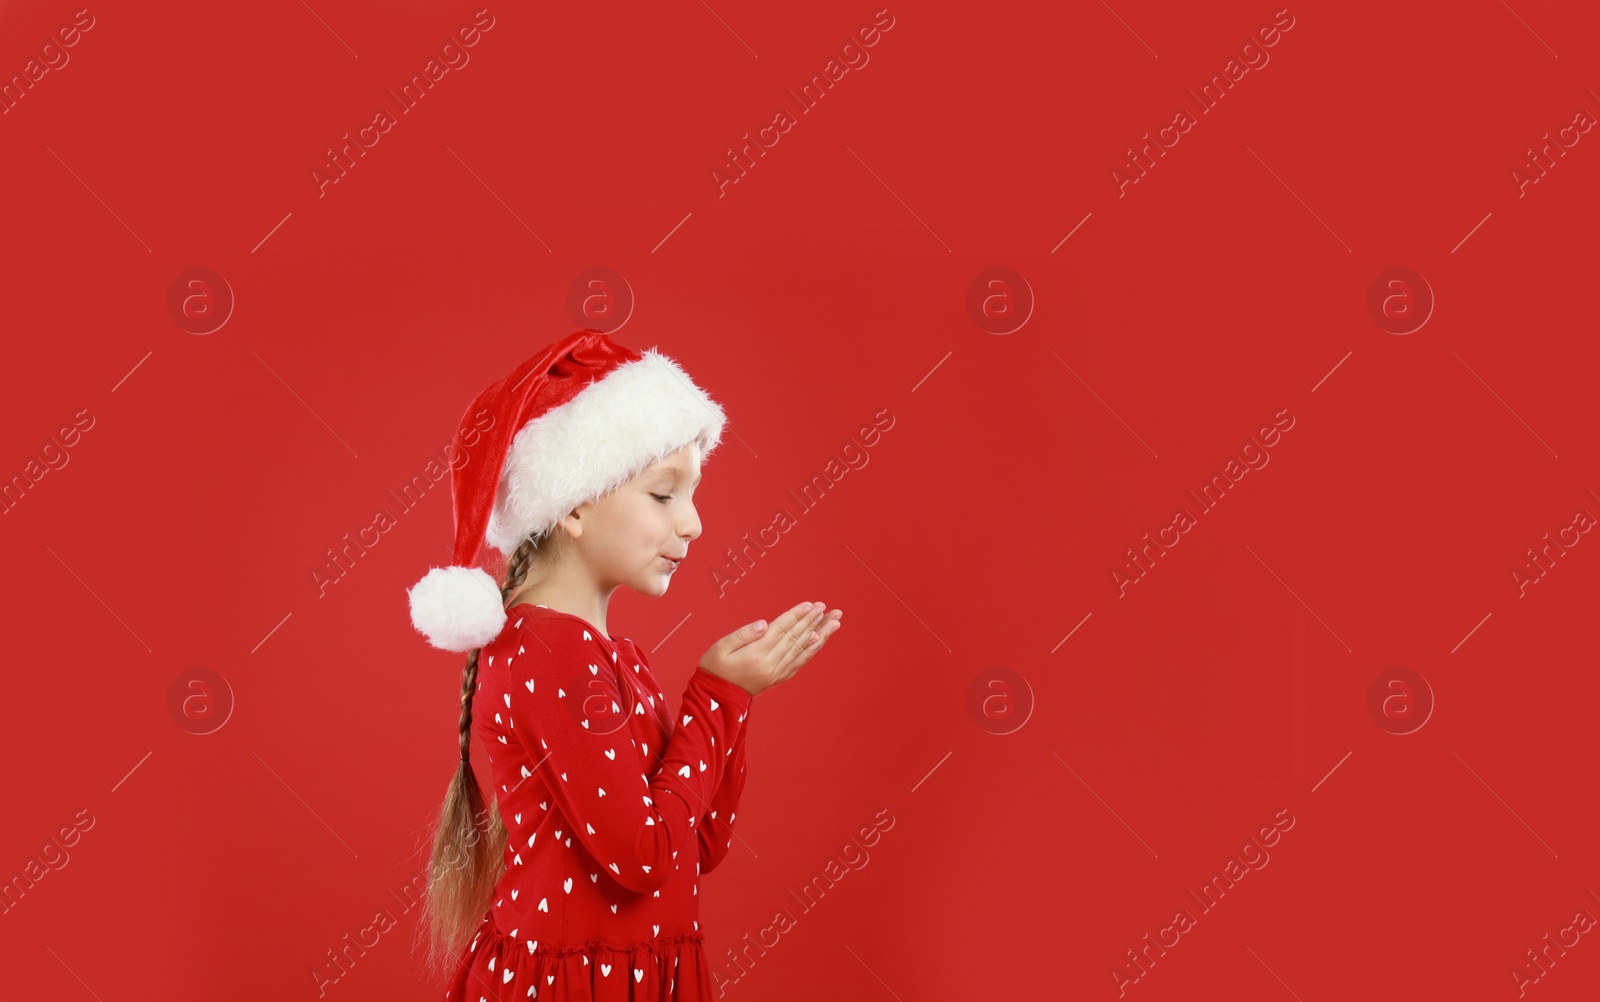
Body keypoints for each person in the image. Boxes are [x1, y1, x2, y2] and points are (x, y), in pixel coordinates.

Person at [404, 329, 844, 999]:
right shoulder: (555, 653)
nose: (692, 524)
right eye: (663, 495)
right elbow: (643, 858)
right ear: (574, 505)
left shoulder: (610, 657)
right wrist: (716, 696)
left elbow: (698, 846)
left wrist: (737, 698)